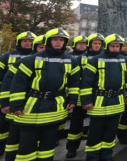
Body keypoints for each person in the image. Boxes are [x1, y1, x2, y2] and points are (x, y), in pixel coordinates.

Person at [9, 29, 78, 161]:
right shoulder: (31, 60)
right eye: (55, 39)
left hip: (54, 108)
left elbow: (74, 82)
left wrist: (73, 98)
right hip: (31, 107)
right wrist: (16, 105)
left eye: (61, 40)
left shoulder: (70, 60)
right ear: (48, 41)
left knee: (48, 146)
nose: (58, 42)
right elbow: (18, 83)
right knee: (27, 147)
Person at [81, 34, 127, 161]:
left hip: (117, 101)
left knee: (111, 131)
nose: (115, 48)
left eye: (118, 46)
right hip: (98, 102)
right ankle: (92, 157)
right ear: (107, 46)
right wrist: (86, 100)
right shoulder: (95, 60)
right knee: (95, 132)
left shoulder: (125, 60)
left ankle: (106, 155)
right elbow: (86, 82)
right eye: (113, 46)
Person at [66, 34, 105, 159]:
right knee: (76, 123)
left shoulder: (104, 58)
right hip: (81, 96)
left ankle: (92, 148)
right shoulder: (80, 59)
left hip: (98, 97)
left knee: (95, 125)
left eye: (99, 44)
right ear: (90, 44)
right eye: (95, 43)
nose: (97, 45)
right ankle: (72, 148)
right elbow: (75, 79)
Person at [0, 31, 36, 159]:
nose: (28, 43)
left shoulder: (36, 56)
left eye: (31, 41)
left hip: (27, 98)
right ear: (19, 42)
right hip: (7, 95)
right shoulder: (7, 57)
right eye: (25, 41)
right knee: (3, 126)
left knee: (20, 127)